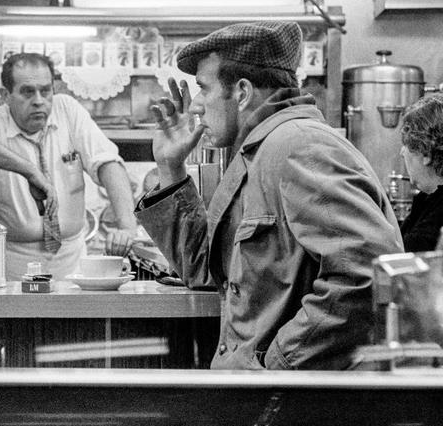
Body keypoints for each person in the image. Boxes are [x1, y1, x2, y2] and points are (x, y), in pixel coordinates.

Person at [138, 21, 403, 370]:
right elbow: (208, 270)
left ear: (243, 92)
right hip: (264, 396)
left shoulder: (299, 145)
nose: (197, 104)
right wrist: (172, 169)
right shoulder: (258, 152)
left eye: (204, 88)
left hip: (293, 406)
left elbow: (368, 275)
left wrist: (274, 367)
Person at [0, 52, 140, 279]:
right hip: (6, 265)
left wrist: (127, 226)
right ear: (6, 95)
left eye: (46, 90)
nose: (39, 100)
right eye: (27, 92)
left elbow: (107, 162)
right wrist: (27, 169)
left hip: (71, 263)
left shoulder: (67, 110)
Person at [398, 92, 443, 252]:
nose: (402, 152)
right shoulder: (426, 200)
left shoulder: (425, 237)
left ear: (426, 153)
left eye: (406, 144)